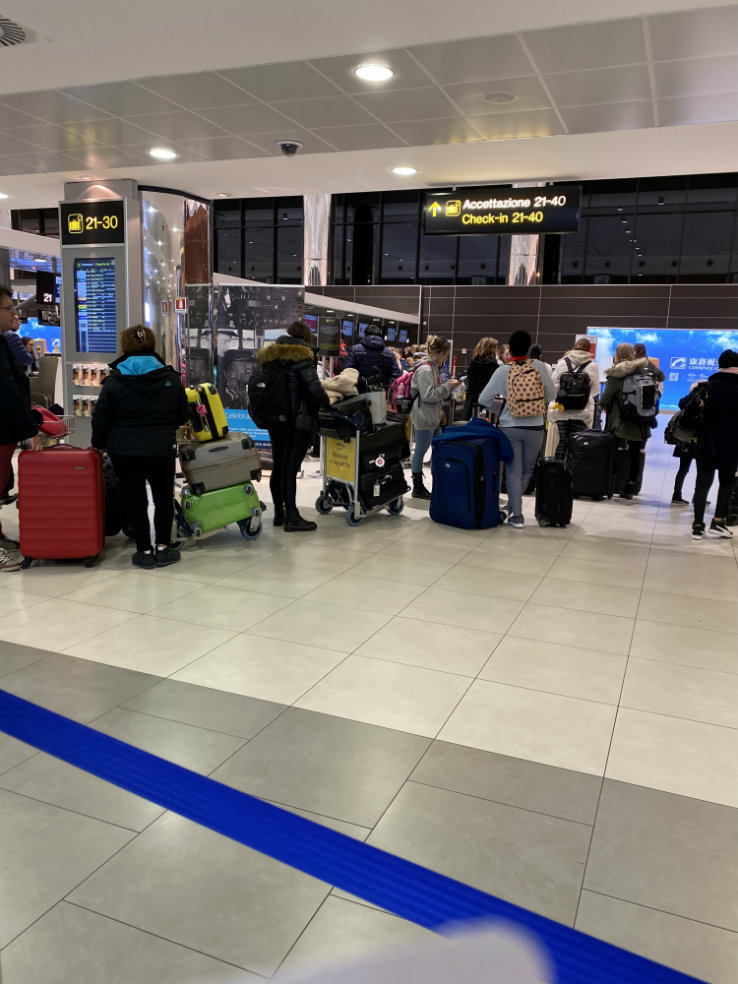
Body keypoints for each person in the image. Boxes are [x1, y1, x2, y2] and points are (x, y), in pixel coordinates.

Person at [91, 325, 189, 569]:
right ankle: (164, 549)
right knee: (164, 499)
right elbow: (183, 415)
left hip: (124, 451)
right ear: (152, 345)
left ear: (125, 347)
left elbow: (101, 417)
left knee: (135, 501)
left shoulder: (114, 381)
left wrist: (98, 445)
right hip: (160, 449)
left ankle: (144, 551)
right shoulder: (170, 378)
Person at [478, 330, 556, 528]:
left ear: (510, 349)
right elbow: (552, 394)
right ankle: (512, 510)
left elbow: (483, 399)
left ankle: (516, 515)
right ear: (529, 348)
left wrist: (502, 404)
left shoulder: (503, 370)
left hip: (511, 427)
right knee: (528, 469)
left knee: (513, 471)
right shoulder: (539, 367)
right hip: (536, 426)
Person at [257, 320, 328, 531]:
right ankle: (293, 517)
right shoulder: (303, 355)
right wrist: (328, 405)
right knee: (290, 469)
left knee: (279, 466)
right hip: (297, 420)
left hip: (276, 419)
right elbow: (314, 388)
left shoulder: (272, 356)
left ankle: (280, 513)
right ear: (306, 337)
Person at [0, 286, 42, 572]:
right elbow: (6, 388)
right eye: (8, 308)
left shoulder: (2, 342)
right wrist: (28, 428)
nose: (13, 313)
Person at [599, 343, 665, 500]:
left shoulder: (616, 373)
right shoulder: (644, 367)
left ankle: (613, 484)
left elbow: (606, 397)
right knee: (636, 453)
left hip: (620, 420)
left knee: (614, 452)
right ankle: (630, 487)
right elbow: (661, 376)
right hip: (641, 419)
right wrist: (647, 364)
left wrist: (602, 405)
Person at [691, 349, 738, 540]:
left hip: (706, 440)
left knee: (703, 482)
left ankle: (697, 526)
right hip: (732, 443)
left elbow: (683, 404)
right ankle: (718, 522)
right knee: (726, 483)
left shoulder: (705, 386)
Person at [409, 335, 460, 499]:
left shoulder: (431, 368)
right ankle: (417, 487)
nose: (445, 359)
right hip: (424, 417)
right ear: (437, 352)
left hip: (432, 417)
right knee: (421, 452)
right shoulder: (425, 370)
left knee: (439, 449)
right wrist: (447, 388)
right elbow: (428, 395)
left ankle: (440, 480)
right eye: (444, 355)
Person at [549, 337, 600, 459]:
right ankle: (572, 475)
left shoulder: (562, 363)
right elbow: (595, 391)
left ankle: (558, 473)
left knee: (563, 441)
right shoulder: (593, 366)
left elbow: (554, 385)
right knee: (576, 443)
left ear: (574, 348)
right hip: (582, 411)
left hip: (562, 410)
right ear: (589, 350)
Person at [462, 337, 499, 420]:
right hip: (487, 402)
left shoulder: (473, 362)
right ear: (492, 349)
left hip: (471, 400)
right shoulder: (493, 366)